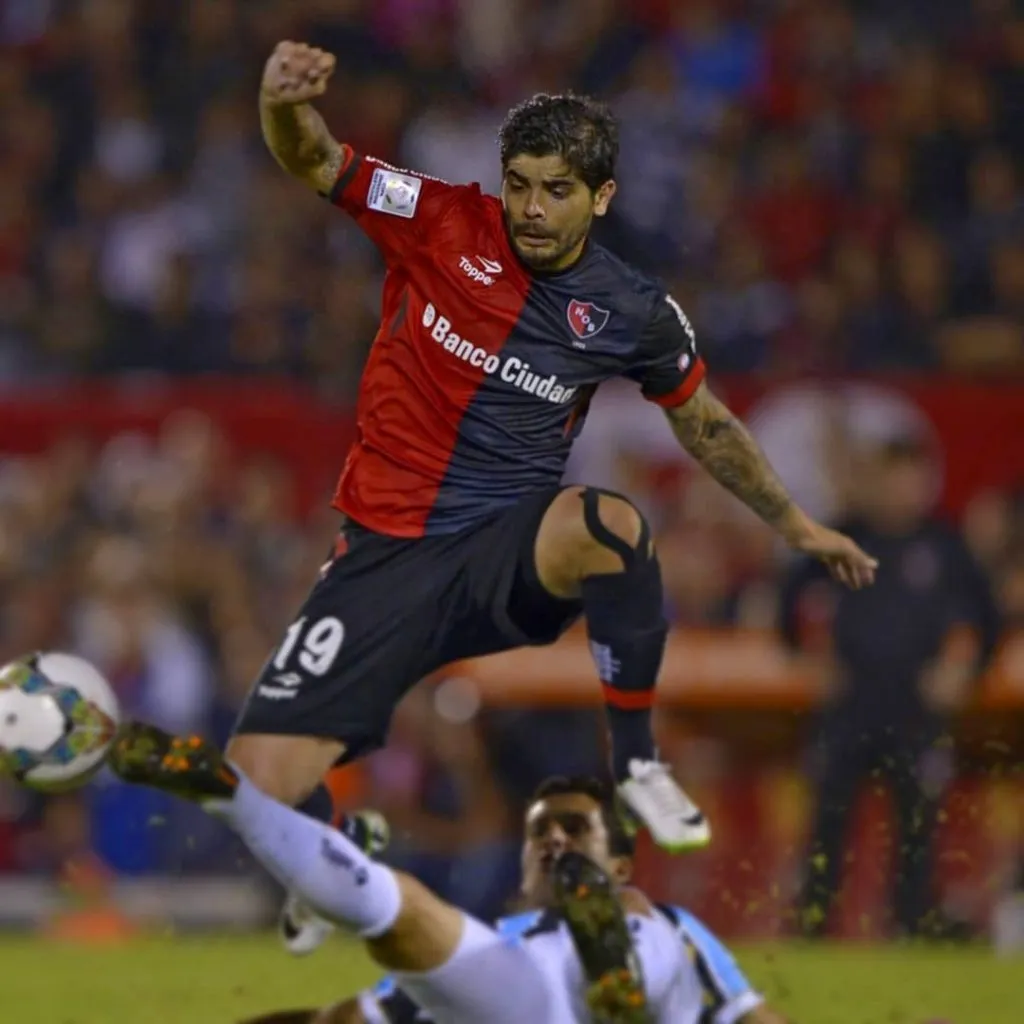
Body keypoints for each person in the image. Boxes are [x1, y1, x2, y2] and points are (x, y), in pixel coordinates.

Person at [235, 40, 878, 953]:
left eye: (559, 190)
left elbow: (708, 427)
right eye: (521, 185)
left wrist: (797, 524)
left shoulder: (634, 310)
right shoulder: (437, 218)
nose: (533, 209)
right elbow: (314, 158)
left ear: (601, 197)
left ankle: (640, 763)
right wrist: (281, 103)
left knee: (610, 523)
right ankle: (346, 857)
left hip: (505, 549)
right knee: (257, 782)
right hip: (385, 555)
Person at [108, 725, 785, 1024]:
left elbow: (753, 1017)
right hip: (525, 1002)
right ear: (522, 866)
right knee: (400, 912)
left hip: (641, 995)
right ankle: (233, 797)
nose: (552, 838)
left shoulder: (672, 923)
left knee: (641, 921)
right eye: (540, 832)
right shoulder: (502, 937)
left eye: (575, 832)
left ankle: (615, 971)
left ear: (619, 857)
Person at [780, 436, 1000, 938]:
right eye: (895, 476)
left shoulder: (944, 544)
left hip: (916, 711)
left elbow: (989, 621)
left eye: (915, 477)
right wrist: (808, 658)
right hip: (848, 706)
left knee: (918, 828)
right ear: (874, 481)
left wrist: (963, 672)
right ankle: (812, 928)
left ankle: (909, 925)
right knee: (828, 824)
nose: (905, 489)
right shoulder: (841, 536)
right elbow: (787, 601)